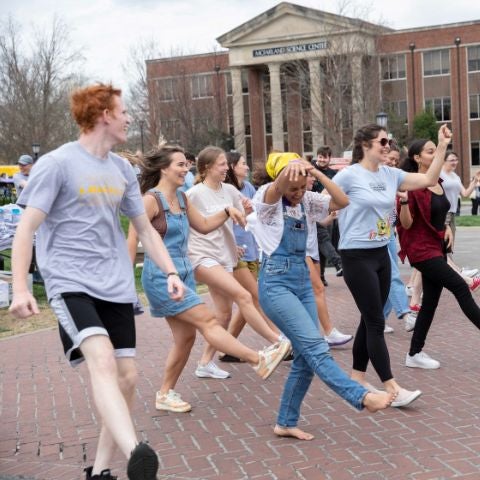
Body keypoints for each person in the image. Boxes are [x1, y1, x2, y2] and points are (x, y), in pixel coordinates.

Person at [7, 84, 185, 480]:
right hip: (71, 284)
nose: (128, 118)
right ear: (104, 114)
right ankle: (137, 452)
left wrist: (172, 271)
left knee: (128, 378)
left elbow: (146, 229)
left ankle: (101, 471)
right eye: (123, 111)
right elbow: (26, 230)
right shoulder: (57, 164)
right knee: (101, 361)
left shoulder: (121, 170)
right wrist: (20, 288)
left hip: (116, 284)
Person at [127, 145, 289, 412]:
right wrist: (125, 285)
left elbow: (202, 225)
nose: (186, 168)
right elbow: (134, 238)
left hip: (185, 274)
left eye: (186, 164)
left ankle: (165, 394)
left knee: (186, 338)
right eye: (180, 164)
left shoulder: (181, 197)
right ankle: (258, 359)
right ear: (163, 169)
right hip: (161, 278)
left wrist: (227, 212)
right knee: (208, 320)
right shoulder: (150, 201)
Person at [249, 152, 395, 441]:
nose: (298, 193)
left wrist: (316, 174)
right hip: (275, 285)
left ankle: (285, 422)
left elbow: (342, 201)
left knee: (304, 357)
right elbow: (276, 188)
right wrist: (288, 172)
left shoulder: (306, 201)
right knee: (316, 347)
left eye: (303, 187)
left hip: (302, 283)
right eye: (294, 188)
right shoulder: (266, 201)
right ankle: (362, 397)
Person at [332, 123, 452, 408]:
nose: (387, 145)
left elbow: (428, 178)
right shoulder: (349, 175)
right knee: (375, 321)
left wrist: (442, 145)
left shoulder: (391, 174)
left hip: (380, 254)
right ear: (365, 145)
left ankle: (358, 377)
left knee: (368, 317)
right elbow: (325, 204)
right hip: (356, 255)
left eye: (389, 141)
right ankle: (392, 386)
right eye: (382, 141)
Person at [186, 146, 290, 379]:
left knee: (223, 315)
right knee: (244, 296)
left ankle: (204, 363)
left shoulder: (231, 190)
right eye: (221, 164)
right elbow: (192, 225)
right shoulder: (194, 194)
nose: (226, 168)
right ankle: (277, 341)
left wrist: (248, 220)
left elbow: (246, 214)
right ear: (206, 168)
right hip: (201, 255)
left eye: (226, 163)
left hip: (224, 256)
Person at [397, 139, 480, 369]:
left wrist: (445, 230)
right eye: (430, 151)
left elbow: (439, 212)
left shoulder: (438, 181)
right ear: (417, 158)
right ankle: (414, 353)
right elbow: (406, 223)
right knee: (460, 286)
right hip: (420, 250)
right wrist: (403, 202)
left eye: (436, 150)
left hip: (436, 246)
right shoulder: (410, 185)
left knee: (431, 302)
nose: (435, 155)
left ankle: (414, 353)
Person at [220, 151, 283, 362]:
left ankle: (228, 347)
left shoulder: (248, 188)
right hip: (234, 251)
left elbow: (253, 218)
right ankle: (280, 341)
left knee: (245, 303)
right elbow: (220, 221)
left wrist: (249, 213)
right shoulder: (225, 191)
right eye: (242, 164)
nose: (247, 167)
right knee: (256, 296)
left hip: (252, 248)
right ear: (231, 166)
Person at [304, 173, 353, 346]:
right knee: (316, 289)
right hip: (300, 252)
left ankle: (312, 335)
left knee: (313, 292)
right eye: (309, 176)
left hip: (312, 250)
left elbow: (341, 200)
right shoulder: (284, 196)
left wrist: (329, 218)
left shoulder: (310, 197)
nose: (313, 179)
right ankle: (326, 332)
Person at [381, 145, 416, 333]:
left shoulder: (393, 179)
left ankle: (379, 318)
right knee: (392, 275)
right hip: (374, 236)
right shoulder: (373, 177)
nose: (393, 163)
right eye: (390, 158)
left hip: (389, 232)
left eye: (396, 160)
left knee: (387, 278)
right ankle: (405, 313)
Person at [440, 152, 479, 279]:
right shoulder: (439, 174)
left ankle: (454, 273)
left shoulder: (455, 176)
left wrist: (475, 181)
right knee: (443, 247)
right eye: (452, 160)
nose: (455, 162)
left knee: (448, 247)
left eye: (456, 159)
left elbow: (465, 193)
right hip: (441, 214)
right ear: (444, 160)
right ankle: (457, 274)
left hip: (451, 214)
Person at [311, 146, 342, 285]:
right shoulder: (310, 170)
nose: (321, 160)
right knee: (322, 239)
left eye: (324, 157)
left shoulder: (333, 174)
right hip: (311, 209)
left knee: (322, 242)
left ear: (330, 158)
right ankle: (338, 263)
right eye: (320, 156)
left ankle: (321, 276)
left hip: (327, 212)